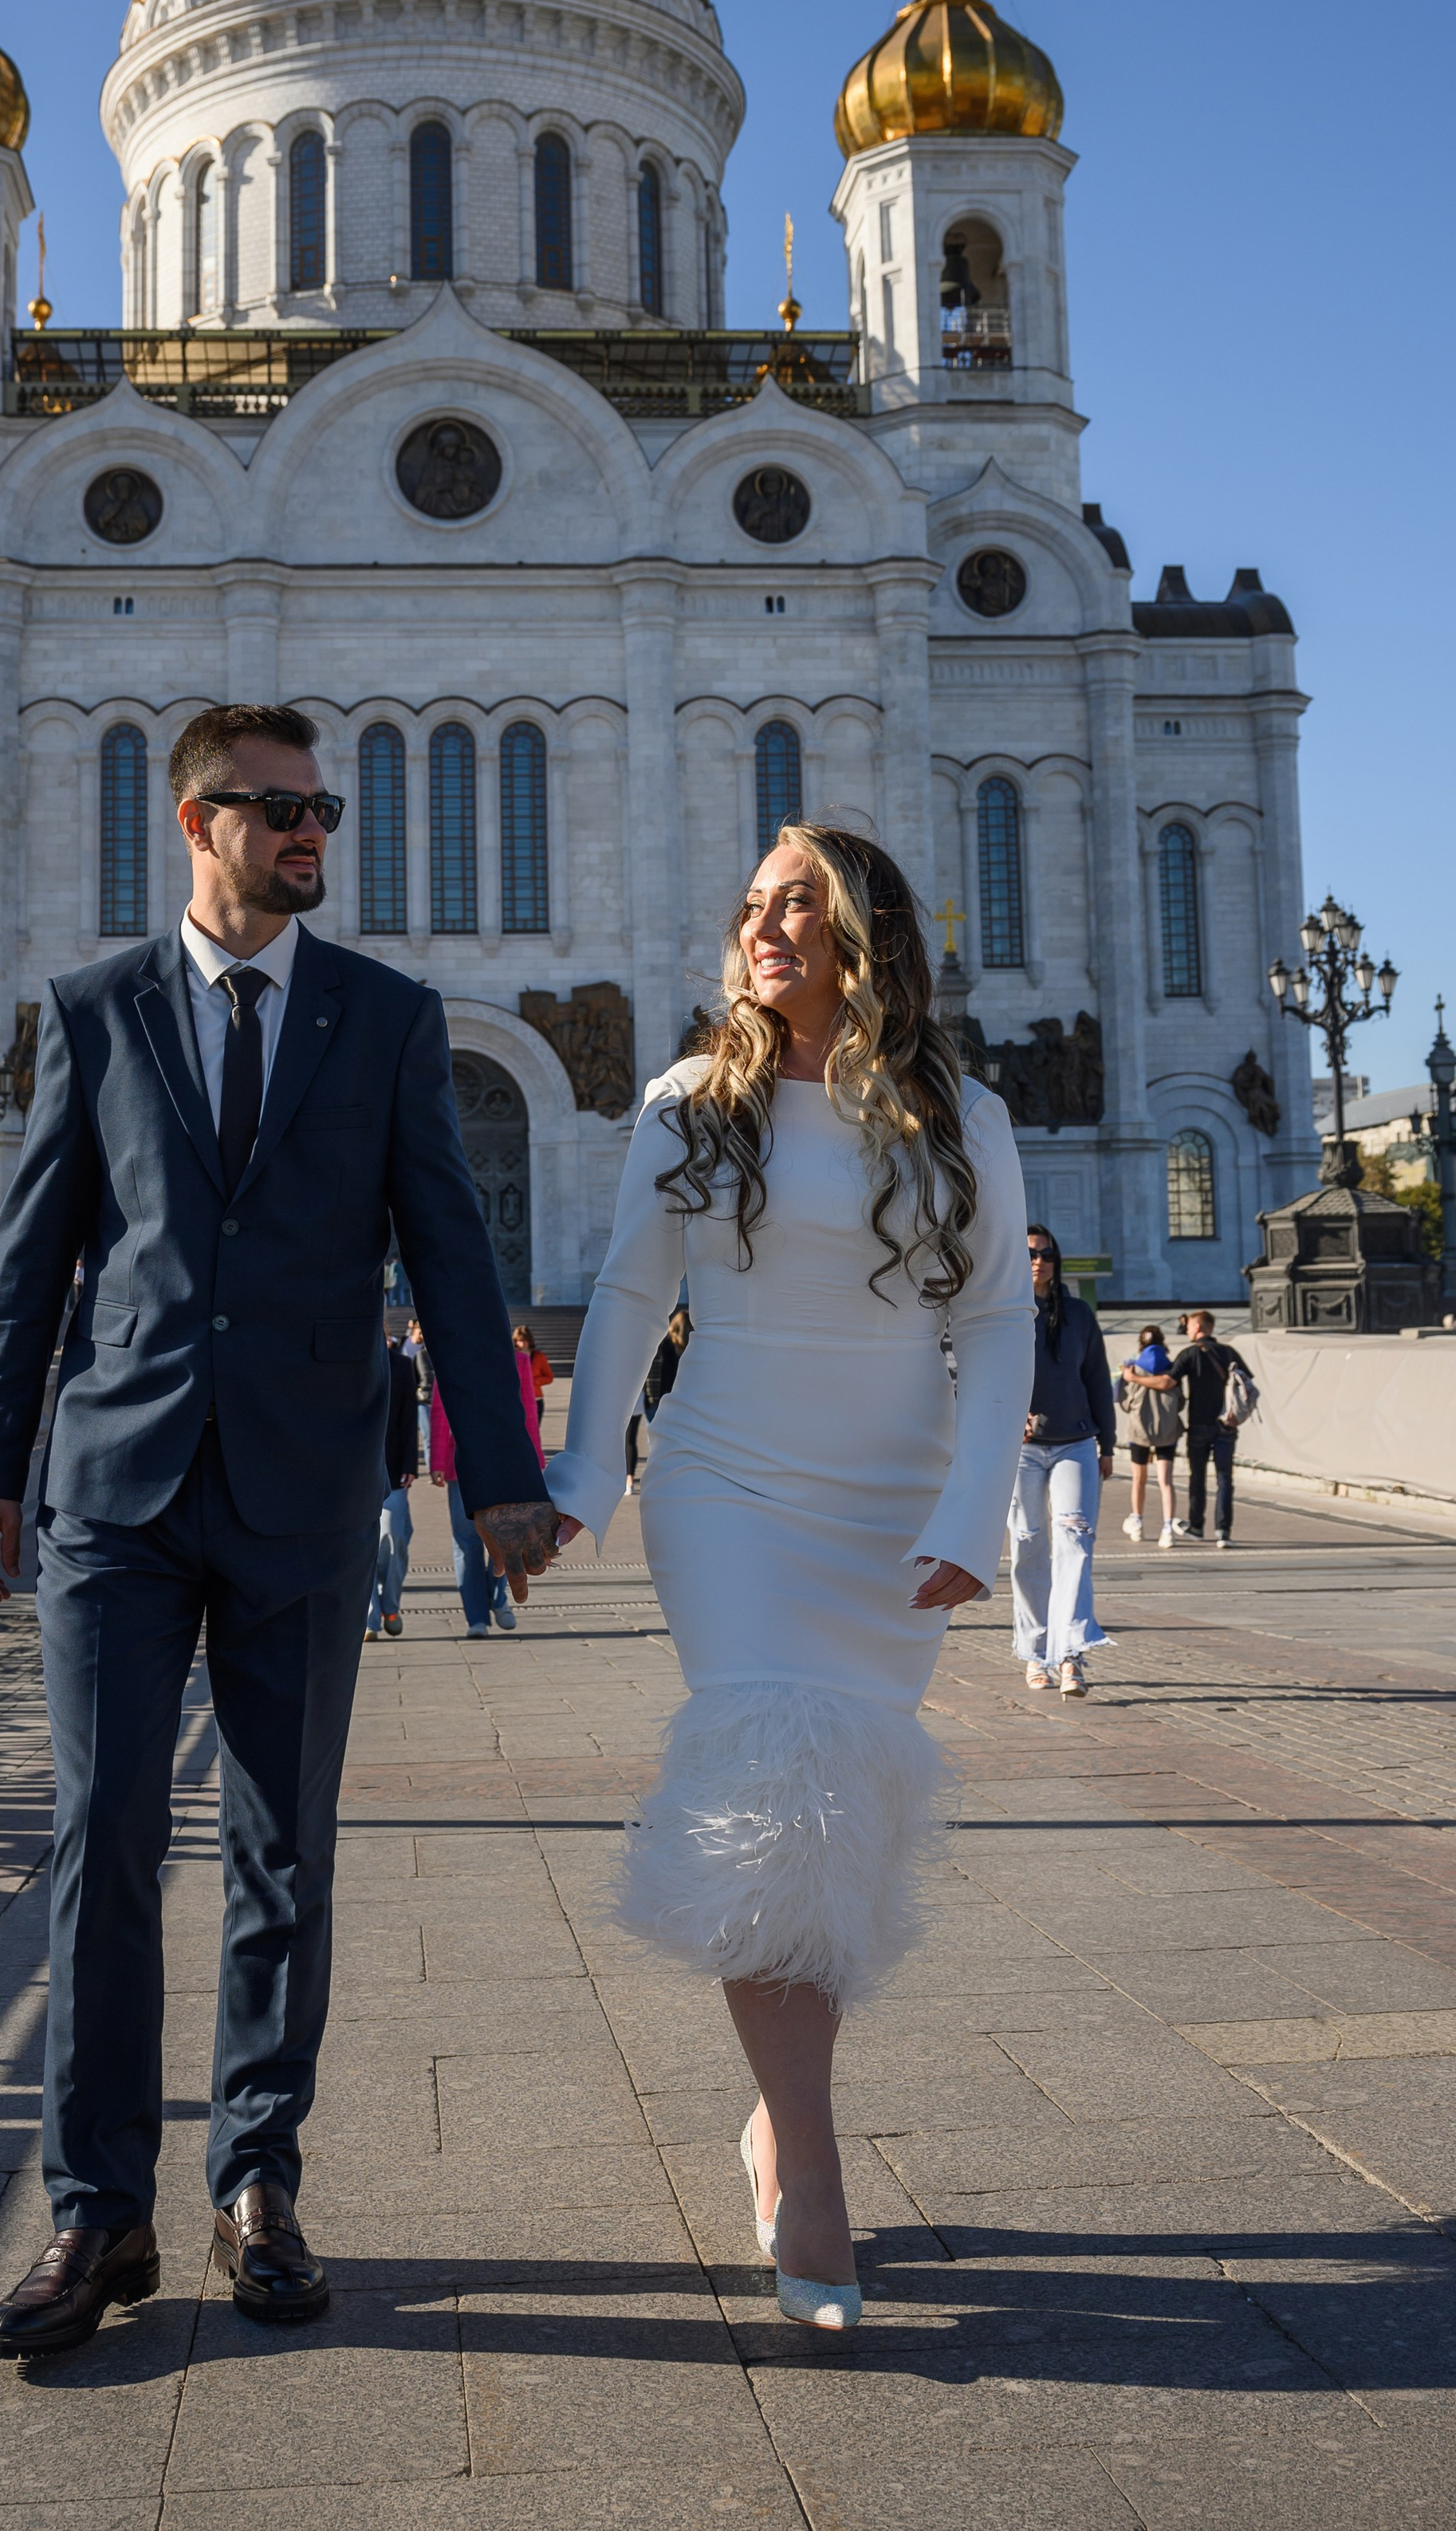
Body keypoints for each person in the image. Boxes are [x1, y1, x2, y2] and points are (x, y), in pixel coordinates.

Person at [0, 703, 550, 2360]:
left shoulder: (385, 1018)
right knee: (103, 1848)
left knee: (285, 1848)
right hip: (115, 1495)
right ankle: (95, 2213)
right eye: (280, 809)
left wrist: (497, 1475)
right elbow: (34, 1264)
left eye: (322, 810)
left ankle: (256, 2184)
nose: (312, 834)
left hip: (300, 1489)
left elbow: (448, 1250)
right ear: (197, 822)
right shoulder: (94, 1010)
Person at [545, 823, 1029, 2331]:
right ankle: (812, 2172)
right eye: (751, 905)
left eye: (797, 904)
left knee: (839, 1823)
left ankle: (772, 2118)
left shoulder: (963, 1117)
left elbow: (1000, 1320)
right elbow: (633, 1289)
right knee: (774, 1789)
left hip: (889, 1498)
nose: (764, 928)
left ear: (863, 934)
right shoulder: (692, 1099)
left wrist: (977, 1510)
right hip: (731, 1485)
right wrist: (579, 1477)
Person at [1011, 1230, 1116, 1695]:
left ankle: (1070, 1653)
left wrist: (1108, 1444)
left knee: (1074, 1543)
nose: (1040, 1261)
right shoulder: (1006, 1315)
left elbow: (1096, 1378)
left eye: (1047, 1254)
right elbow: (981, 1377)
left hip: (1076, 1443)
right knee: (1028, 1548)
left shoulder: (1078, 1314)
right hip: (1022, 1452)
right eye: (1031, 1254)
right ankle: (1036, 1653)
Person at [431, 1336, 545, 1634]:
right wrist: (438, 1461)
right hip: (461, 1464)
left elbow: (528, 1411)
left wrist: (534, 1461)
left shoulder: (518, 1360)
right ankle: (476, 1617)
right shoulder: (449, 1357)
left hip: (505, 1463)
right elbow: (441, 1410)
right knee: (466, 1543)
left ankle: (499, 1599)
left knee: (507, 1535)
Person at [1169, 1307, 1255, 1545]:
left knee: (1197, 1477)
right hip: (1227, 1424)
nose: (1187, 1330)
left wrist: (1134, 1378)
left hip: (1198, 1424)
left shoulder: (1189, 1354)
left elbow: (1168, 1381)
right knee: (1225, 1478)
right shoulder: (1229, 1353)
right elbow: (1247, 1384)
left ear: (1198, 1327)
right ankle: (1223, 1532)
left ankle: (1196, 1527)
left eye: (1188, 1327)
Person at [367, 1332, 421, 1641]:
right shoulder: (338, 1362)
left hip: (393, 1469)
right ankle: (370, 1618)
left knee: (394, 1540)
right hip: (349, 1477)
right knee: (361, 1549)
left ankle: (391, 1605)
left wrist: (410, 1466)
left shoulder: (401, 1365)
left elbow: (409, 1418)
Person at [1118, 1324, 1181, 1545]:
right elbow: (1181, 1402)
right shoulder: (1172, 1367)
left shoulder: (1132, 1370)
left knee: (1139, 1479)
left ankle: (1138, 1523)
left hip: (1139, 1430)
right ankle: (1167, 1529)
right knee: (1166, 1481)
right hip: (1168, 1430)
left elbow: (1124, 1402)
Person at [623, 1305, 692, 1486]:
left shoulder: (665, 1346)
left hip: (656, 1399)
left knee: (654, 1440)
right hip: (677, 1400)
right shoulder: (687, 1349)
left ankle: (659, 1476)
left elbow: (653, 1376)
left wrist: (654, 1400)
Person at [405, 1313, 435, 1474]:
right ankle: (432, 1470)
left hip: (439, 1400)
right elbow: (425, 1376)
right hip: (425, 1400)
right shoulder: (421, 1355)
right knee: (428, 1438)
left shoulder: (442, 1355)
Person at [515, 1322, 553, 1429]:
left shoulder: (539, 1357)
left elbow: (549, 1377)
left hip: (536, 1398)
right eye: (519, 1341)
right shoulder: (514, 1357)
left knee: (534, 1430)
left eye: (524, 1341)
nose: (522, 1344)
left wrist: (533, 1381)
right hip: (518, 1398)